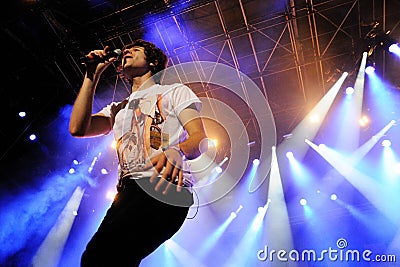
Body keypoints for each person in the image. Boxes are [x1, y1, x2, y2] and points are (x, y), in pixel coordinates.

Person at [69, 39, 207, 266]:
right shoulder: (117, 108)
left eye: (136, 49)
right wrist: (91, 75)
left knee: (98, 257)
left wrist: (177, 151)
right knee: (112, 259)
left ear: (153, 61)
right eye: (125, 50)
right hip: (127, 191)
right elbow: (77, 128)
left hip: (164, 186)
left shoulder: (174, 92)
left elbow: (199, 139)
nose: (127, 51)